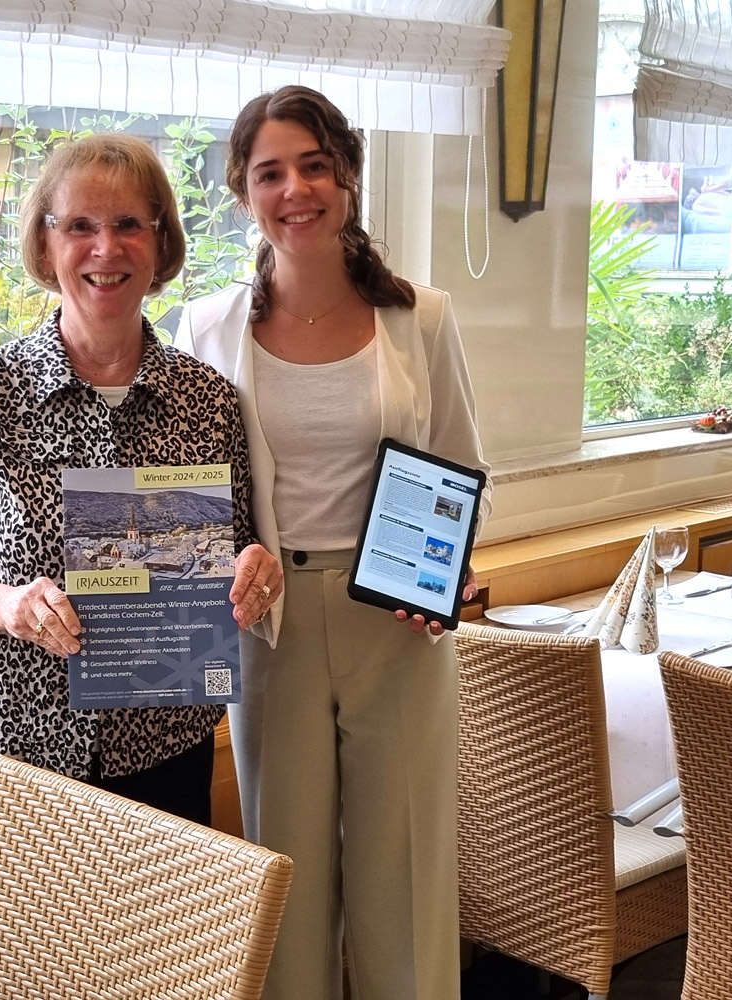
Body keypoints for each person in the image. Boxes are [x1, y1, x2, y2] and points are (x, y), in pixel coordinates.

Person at [177, 86, 490, 1000]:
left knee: (406, 879)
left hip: (395, 620)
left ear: (348, 175)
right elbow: (192, 493)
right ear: (244, 193)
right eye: (270, 172)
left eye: (315, 165)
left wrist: (449, 571)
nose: (296, 190)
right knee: (286, 882)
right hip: (265, 627)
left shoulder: (421, 317)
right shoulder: (207, 327)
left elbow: (460, 467)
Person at [0, 134, 283, 837]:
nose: (107, 248)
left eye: (129, 223)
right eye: (79, 225)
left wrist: (256, 570)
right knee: (20, 919)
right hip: (13, 748)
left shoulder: (209, 401)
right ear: (46, 248)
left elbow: (238, 549)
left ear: (160, 245)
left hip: (165, 748)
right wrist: (5, 605)